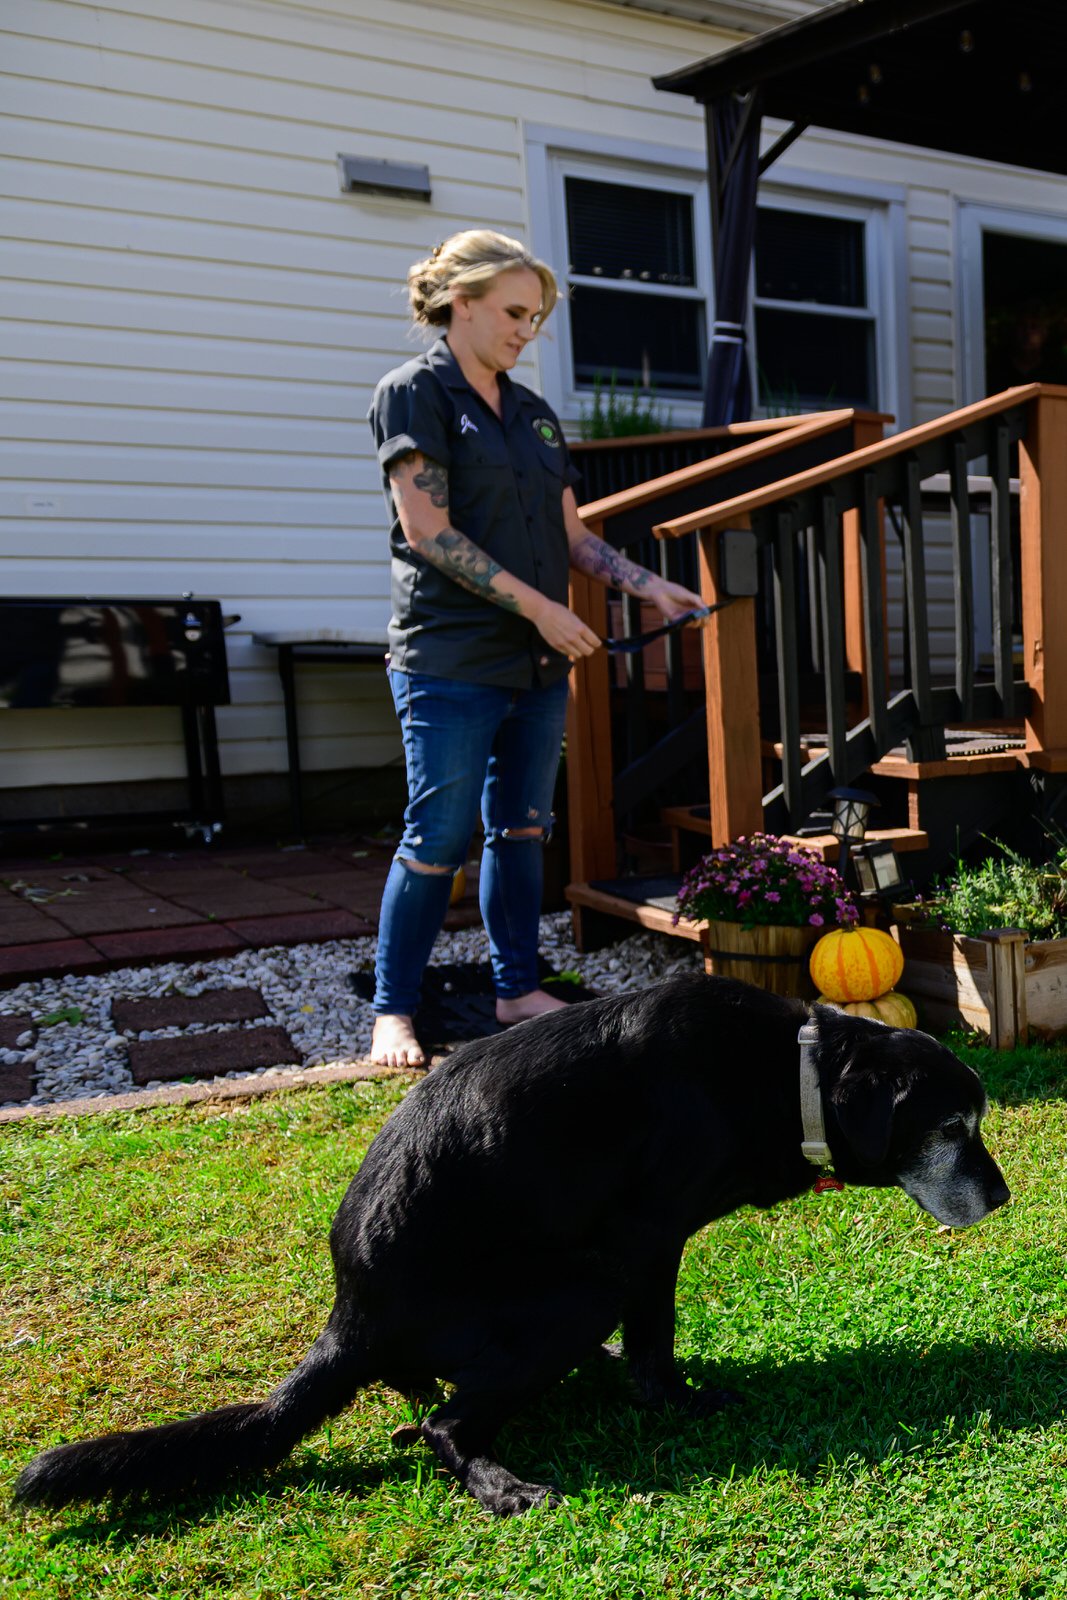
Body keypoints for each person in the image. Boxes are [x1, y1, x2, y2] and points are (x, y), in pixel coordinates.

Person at [367, 229, 706, 1068]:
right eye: (516, 312)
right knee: (437, 838)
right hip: (448, 659)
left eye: (537, 316)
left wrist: (641, 581)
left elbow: (572, 535)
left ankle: (516, 987)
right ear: (463, 302)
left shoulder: (533, 415)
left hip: (535, 665)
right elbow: (427, 531)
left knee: (520, 830)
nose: (527, 329)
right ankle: (392, 1012)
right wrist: (543, 610)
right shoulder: (414, 393)